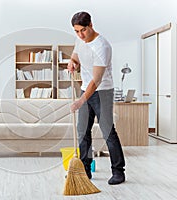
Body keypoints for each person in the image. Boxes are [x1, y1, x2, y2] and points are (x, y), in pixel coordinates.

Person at [68, 11, 126, 185]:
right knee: (82, 132)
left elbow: (96, 80)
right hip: (86, 89)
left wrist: (80, 101)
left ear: (91, 25)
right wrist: (72, 62)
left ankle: (118, 172)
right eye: (76, 31)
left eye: (83, 30)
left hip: (102, 92)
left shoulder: (102, 46)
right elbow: (76, 55)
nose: (80, 35)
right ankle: (85, 171)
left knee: (108, 131)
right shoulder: (80, 40)